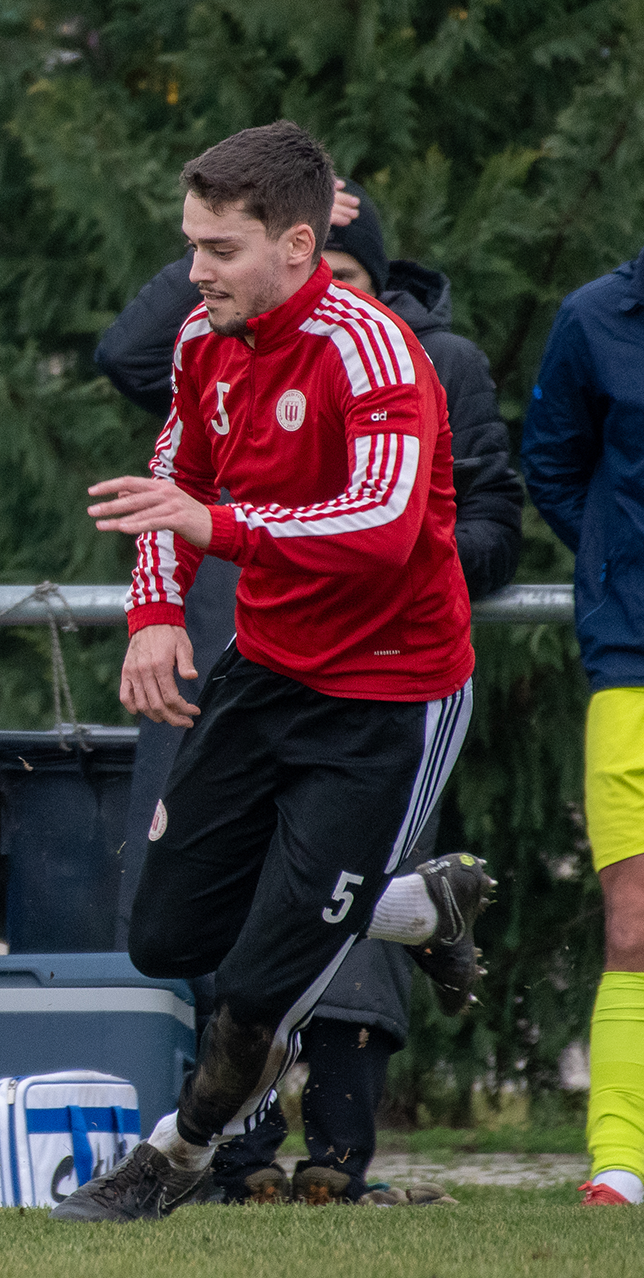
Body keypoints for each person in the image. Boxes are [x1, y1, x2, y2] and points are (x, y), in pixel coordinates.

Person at [52, 120, 491, 1223]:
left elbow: (383, 528)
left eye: (220, 249)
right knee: (165, 937)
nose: (197, 271)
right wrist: (156, 613)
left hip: (391, 692)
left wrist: (222, 529)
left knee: (258, 992)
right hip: (268, 669)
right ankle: (416, 905)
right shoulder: (205, 343)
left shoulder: (374, 352)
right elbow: (174, 480)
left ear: (297, 245)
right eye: (191, 245)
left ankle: (175, 1155)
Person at [521, 243, 644, 1208]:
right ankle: (620, 1162)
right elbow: (553, 468)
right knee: (634, 926)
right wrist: (611, 557)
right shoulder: (595, 317)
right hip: (631, 661)